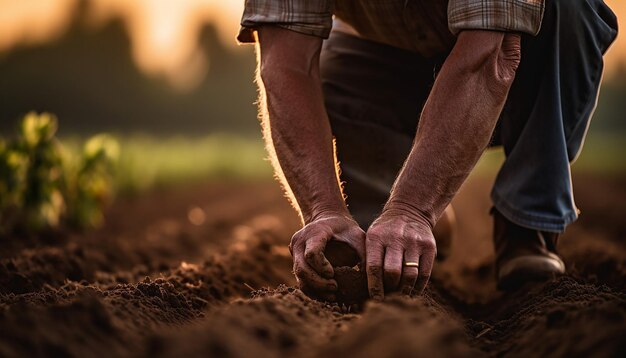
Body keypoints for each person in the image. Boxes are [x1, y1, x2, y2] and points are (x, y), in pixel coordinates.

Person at [237, 0, 618, 300]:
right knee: (332, 68)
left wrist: (412, 208)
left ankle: (526, 224)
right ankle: (395, 217)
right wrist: (323, 208)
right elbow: (285, 63)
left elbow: (491, 56)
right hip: (382, 59)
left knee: (571, 9)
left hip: (513, 54)